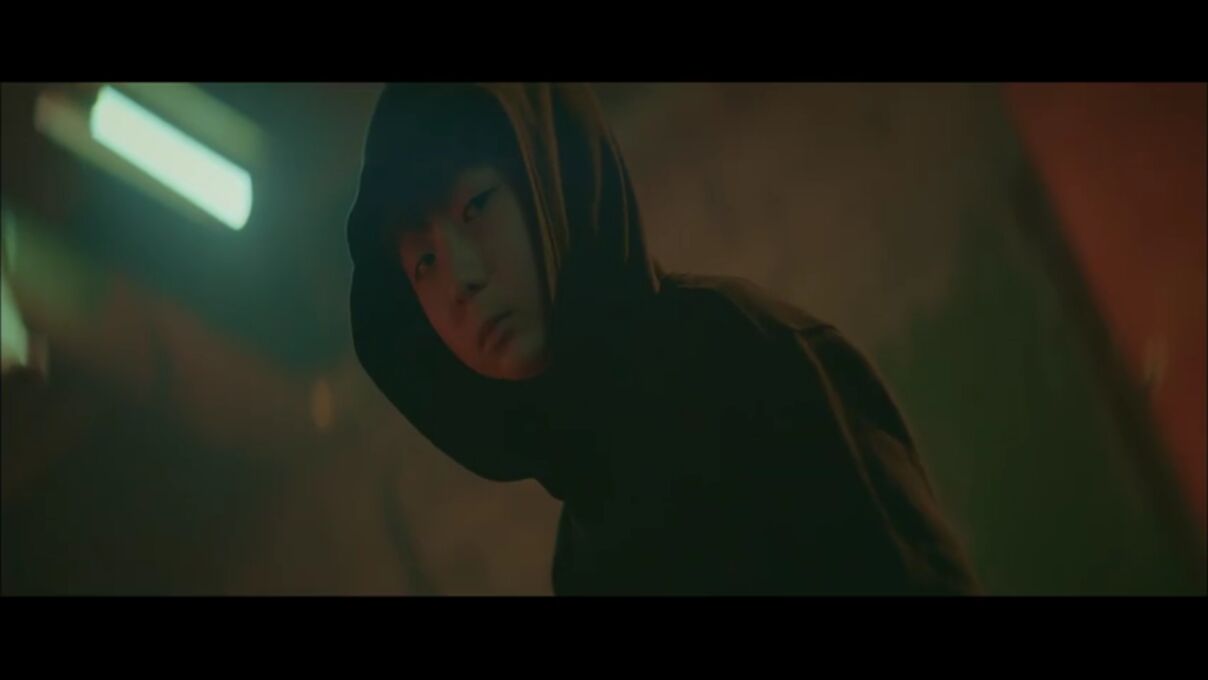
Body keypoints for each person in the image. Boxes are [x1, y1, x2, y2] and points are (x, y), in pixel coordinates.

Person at [346, 83, 979, 595]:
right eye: (423, 263)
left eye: (476, 206)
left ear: (551, 178)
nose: (461, 278)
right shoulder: (581, 551)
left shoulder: (743, 357)